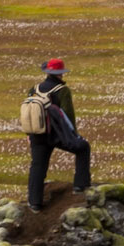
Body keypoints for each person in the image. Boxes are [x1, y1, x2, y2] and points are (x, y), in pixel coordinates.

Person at [25, 57, 91, 209]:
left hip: (37, 134)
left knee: (37, 167)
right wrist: (75, 136)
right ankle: (80, 186)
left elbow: (29, 114)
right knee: (83, 147)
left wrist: (29, 135)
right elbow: (68, 116)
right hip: (56, 135)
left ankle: (34, 203)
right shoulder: (62, 91)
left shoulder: (34, 89)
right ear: (60, 74)